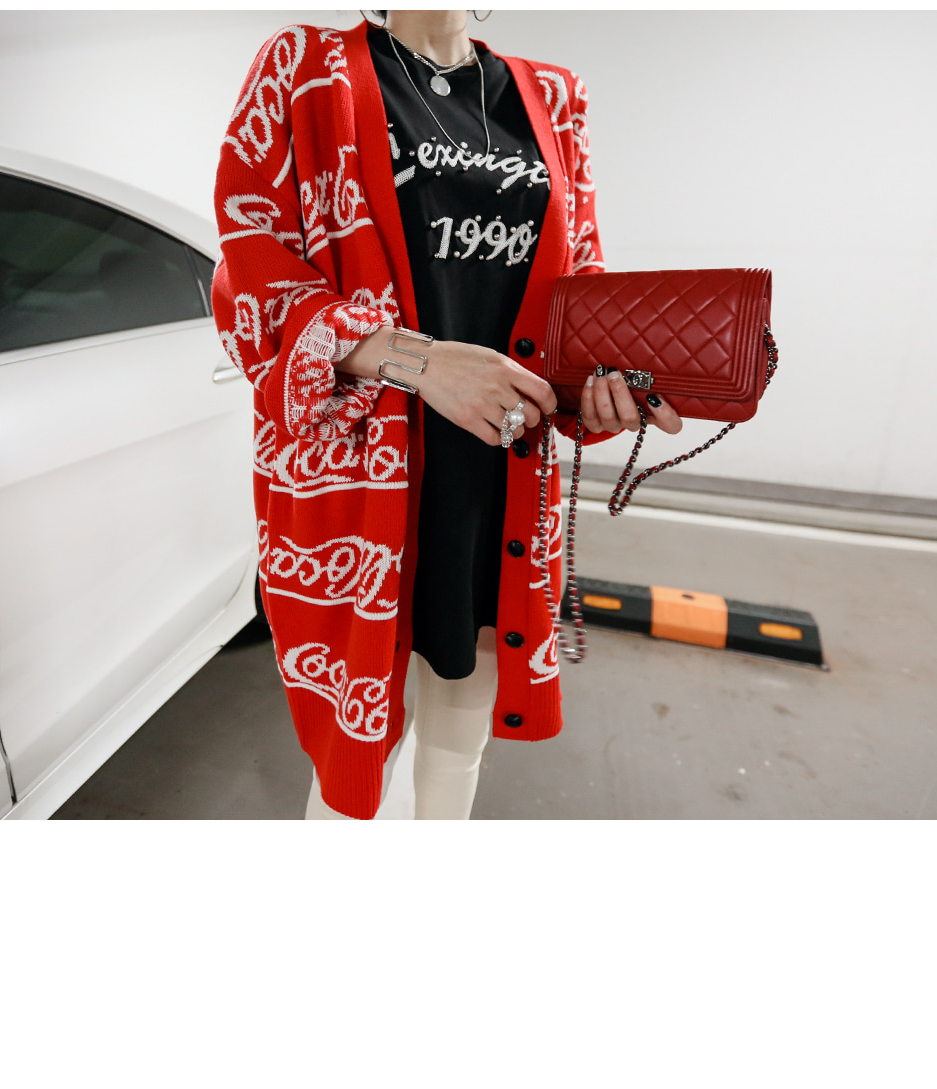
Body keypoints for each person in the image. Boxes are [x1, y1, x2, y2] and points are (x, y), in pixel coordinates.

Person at [212, 10, 682, 820]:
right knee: (352, 768)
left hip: (503, 477)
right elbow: (250, 271)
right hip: (362, 481)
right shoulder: (306, 68)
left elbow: (578, 282)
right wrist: (422, 363)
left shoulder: (552, 97)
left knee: (459, 742)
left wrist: (606, 384)